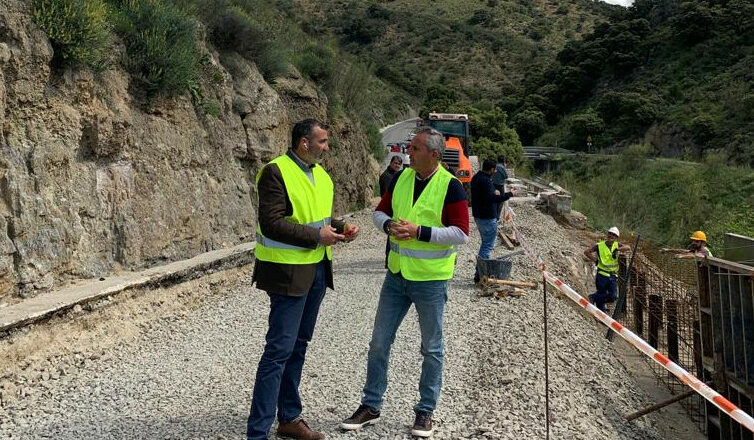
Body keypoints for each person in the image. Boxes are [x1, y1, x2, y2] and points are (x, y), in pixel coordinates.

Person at [340, 127, 469, 438]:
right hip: (396, 276)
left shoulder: (451, 187)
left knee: (432, 348)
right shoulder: (401, 178)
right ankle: (371, 405)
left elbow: (462, 233)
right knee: (379, 343)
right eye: (410, 147)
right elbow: (379, 213)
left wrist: (419, 232)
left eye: (415, 148)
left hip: (430, 281)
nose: (408, 152)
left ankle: (425, 412)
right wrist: (388, 228)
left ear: (434, 155)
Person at [247, 118, 360, 440]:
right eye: (322, 142)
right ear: (304, 143)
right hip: (286, 273)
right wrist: (316, 235)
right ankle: (257, 432)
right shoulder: (275, 171)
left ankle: (289, 419)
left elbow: (318, 219)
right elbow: (271, 223)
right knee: (278, 350)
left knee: (298, 347)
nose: (327, 147)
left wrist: (340, 228)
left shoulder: (321, 175)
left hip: (317, 271)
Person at [470, 159, 515, 283]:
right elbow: (491, 198)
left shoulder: (477, 178)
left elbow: (486, 194)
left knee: (485, 243)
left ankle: (479, 272)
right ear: (491, 169)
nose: (495, 171)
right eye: (494, 170)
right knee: (487, 246)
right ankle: (480, 274)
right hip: (487, 217)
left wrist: (493, 191)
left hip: (478, 216)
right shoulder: (485, 180)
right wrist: (509, 194)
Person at [583, 227, 630, 313]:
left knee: (613, 297)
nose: (611, 236)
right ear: (607, 234)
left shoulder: (617, 245)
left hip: (613, 275)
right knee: (601, 293)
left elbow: (628, 247)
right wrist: (595, 260)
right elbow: (586, 252)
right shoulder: (599, 245)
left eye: (614, 235)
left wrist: (618, 250)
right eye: (610, 233)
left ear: (616, 237)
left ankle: (594, 297)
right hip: (602, 275)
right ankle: (602, 315)